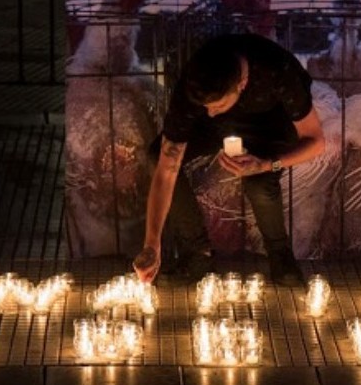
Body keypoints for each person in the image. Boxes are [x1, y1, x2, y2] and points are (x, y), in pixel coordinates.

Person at [133, 34, 326, 287]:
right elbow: (167, 166)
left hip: (272, 125)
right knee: (155, 156)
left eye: (218, 104)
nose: (209, 111)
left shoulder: (276, 70)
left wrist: (266, 164)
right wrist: (151, 244)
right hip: (217, 129)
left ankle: (280, 255)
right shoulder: (195, 87)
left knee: (259, 183)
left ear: (242, 83)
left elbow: (316, 142)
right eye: (205, 106)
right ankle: (197, 253)